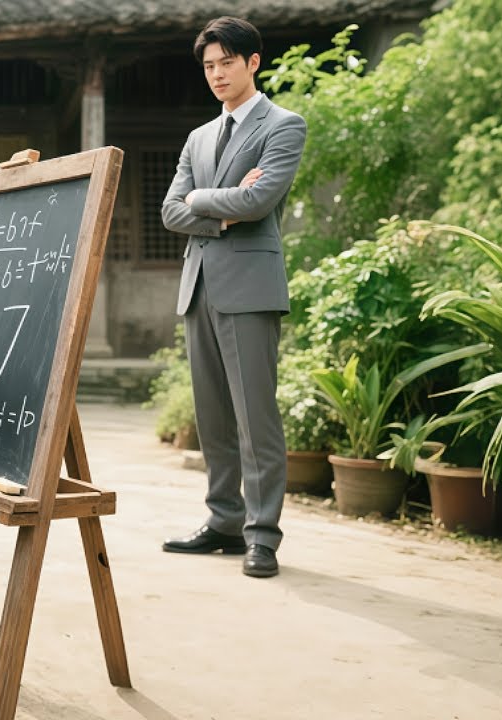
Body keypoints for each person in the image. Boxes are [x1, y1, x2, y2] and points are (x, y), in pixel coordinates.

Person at [160, 16, 307, 578]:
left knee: (256, 418)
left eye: (227, 62)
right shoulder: (198, 136)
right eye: (209, 66)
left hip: (250, 289)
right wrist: (213, 203)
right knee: (214, 418)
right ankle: (223, 520)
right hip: (198, 287)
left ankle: (262, 535)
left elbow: (261, 199)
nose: (217, 74)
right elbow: (172, 211)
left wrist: (200, 200)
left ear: (253, 62)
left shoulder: (283, 125)